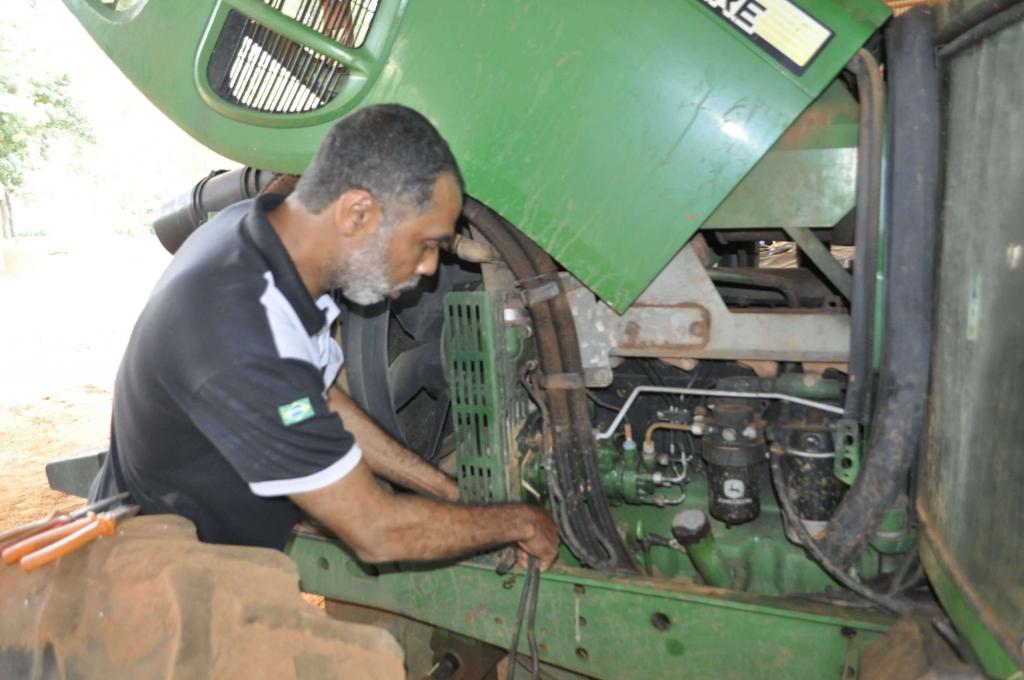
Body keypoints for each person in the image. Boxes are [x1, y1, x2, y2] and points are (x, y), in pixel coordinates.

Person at [88, 104, 559, 569]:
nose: (430, 266)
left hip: (201, 558)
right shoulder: (241, 334)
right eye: (426, 243)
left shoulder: (252, 236)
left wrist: (447, 492)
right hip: (156, 579)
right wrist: (520, 523)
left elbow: (318, 400)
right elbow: (377, 532)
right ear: (357, 213)